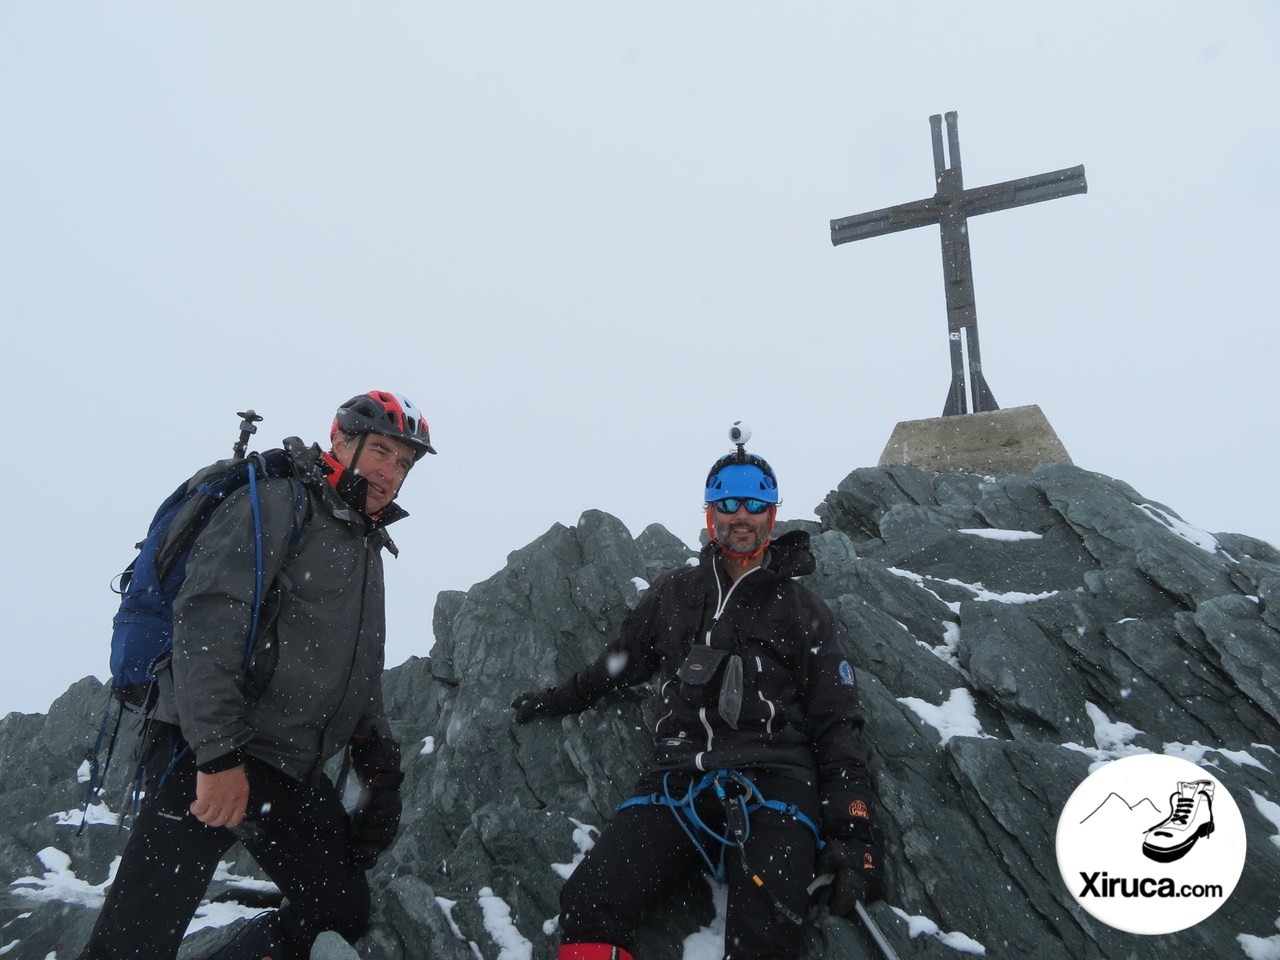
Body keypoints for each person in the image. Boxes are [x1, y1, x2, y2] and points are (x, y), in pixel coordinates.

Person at [77, 390, 436, 960]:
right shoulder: (277, 502)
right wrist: (218, 758)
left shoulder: (365, 542)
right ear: (341, 440)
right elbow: (207, 624)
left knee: (338, 912)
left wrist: (378, 763)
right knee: (134, 941)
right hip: (205, 751)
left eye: (404, 463)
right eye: (382, 452)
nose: (392, 473)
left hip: (288, 766)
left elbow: (360, 669)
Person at [512, 426, 882, 960]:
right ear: (710, 511)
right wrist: (559, 698)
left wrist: (854, 835)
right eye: (727, 501)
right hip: (677, 780)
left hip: (775, 784)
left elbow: (837, 723)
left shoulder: (805, 612)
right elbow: (618, 664)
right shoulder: (675, 594)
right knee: (589, 902)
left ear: (772, 516)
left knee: (765, 937)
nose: (741, 515)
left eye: (755, 503)